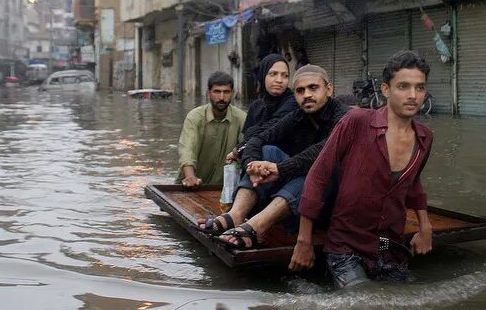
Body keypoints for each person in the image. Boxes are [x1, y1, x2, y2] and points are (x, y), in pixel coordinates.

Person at [291, 51, 435, 289]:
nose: (413, 96)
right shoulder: (356, 122)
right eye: (403, 86)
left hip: (390, 245)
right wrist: (304, 240)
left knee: (402, 301)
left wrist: (425, 226)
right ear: (386, 90)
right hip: (346, 245)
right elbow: (318, 175)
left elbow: (414, 183)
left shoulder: (424, 138)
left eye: (420, 88)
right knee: (361, 301)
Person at [209, 65, 351, 249]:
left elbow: (325, 150)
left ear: (329, 89)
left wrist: (280, 170)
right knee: (268, 151)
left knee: (317, 170)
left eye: (313, 88)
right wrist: (251, 165)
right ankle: (236, 214)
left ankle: (257, 226)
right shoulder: (298, 116)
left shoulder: (345, 117)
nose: (307, 94)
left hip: (335, 201)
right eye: (300, 90)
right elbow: (259, 138)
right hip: (303, 196)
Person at [177, 71, 247, 188]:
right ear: (208, 93)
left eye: (226, 92)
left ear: (232, 94)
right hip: (190, 184)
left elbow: (247, 149)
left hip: (224, 188)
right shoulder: (195, 117)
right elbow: (187, 149)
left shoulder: (241, 118)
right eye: (217, 92)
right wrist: (190, 177)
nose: (221, 97)